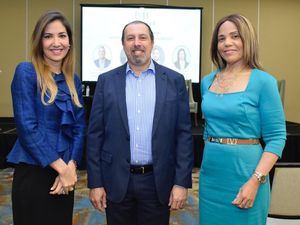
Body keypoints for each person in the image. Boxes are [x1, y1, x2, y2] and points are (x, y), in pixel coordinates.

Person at [87, 20, 194, 225]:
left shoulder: (174, 80)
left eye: (142, 37)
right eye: (130, 38)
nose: (137, 43)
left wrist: (181, 182)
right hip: (116, 181)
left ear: (152, 42)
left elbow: (183, 135)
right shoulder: (106, 81)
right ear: (123, 44)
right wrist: (95, 183)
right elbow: (95, 135)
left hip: (157, 181)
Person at [199, 14, 286, 225]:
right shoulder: (207, 81)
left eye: (235, 36)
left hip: (246, 175)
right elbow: (208, 129)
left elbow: (276, 137)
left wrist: (255, 181)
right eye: (221, 38)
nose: (227, 43)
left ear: (247, 40)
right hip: (210, 176)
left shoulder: (264, 81)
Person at [7, 11, 85, 225]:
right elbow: (27, 128)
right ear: (39, 41)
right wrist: (62, 168)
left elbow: (79, 128)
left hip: (64, 177)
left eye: (62, 36)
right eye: (48, 36)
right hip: (34, 172)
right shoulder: (26, 72)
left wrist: (71, 166)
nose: (56, 42)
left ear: (69, 41)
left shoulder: (73, 80)